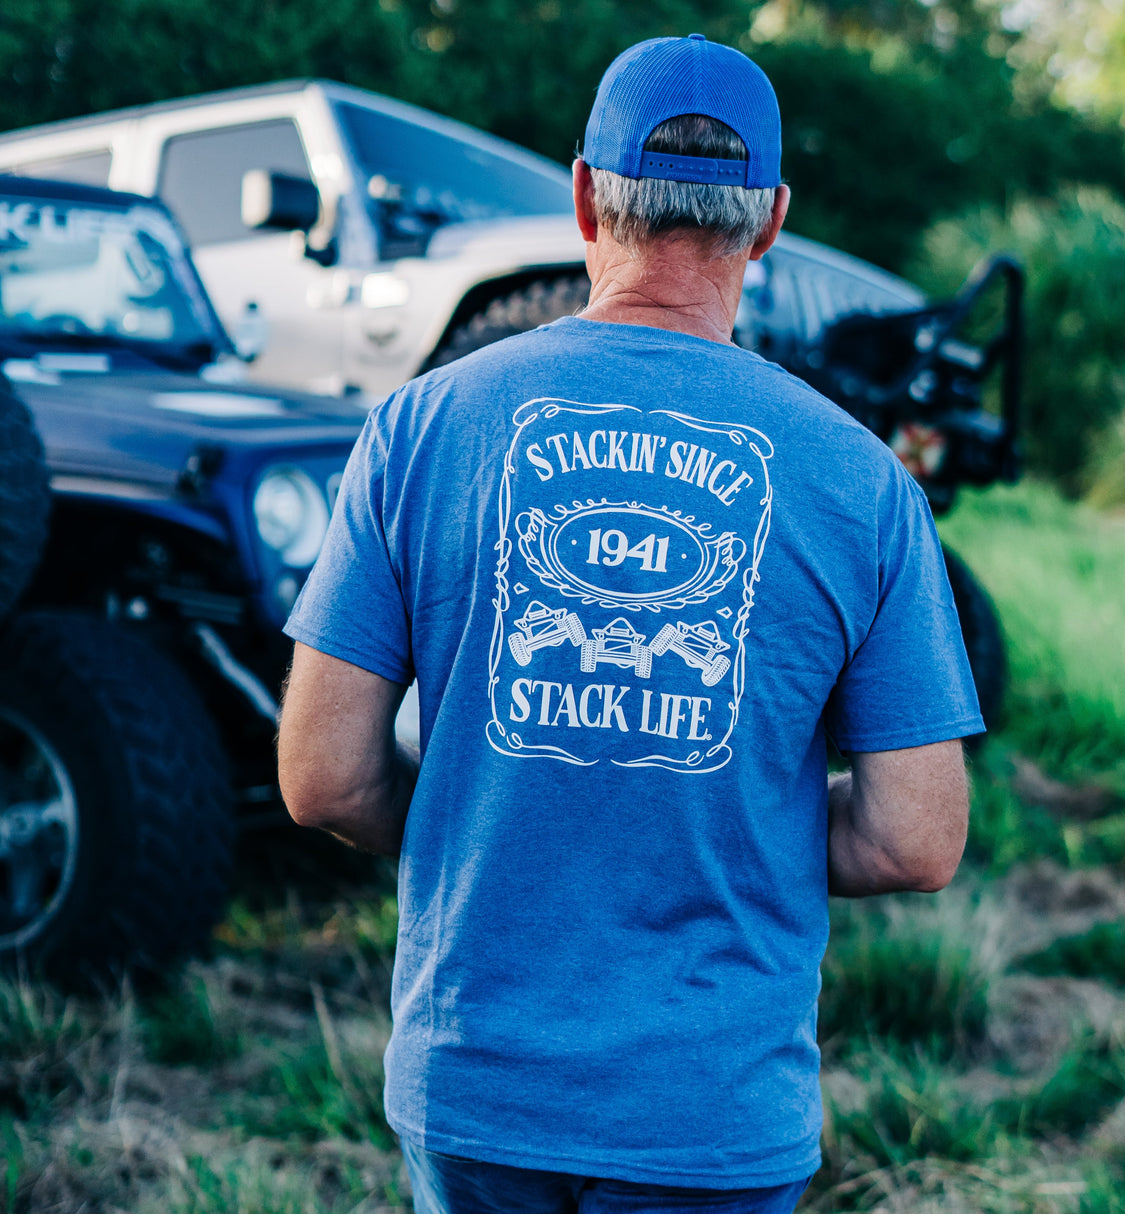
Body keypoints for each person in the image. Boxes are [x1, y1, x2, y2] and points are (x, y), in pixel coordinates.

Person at [277, 33, 980, 1214]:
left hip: (474, 1085)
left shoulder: (419, 427)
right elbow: (915, 837)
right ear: (768, 223)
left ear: (584, 197)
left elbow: (321, 775)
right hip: (708, 1111)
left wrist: (490, 810)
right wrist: (728, 813)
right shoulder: (861, 483)